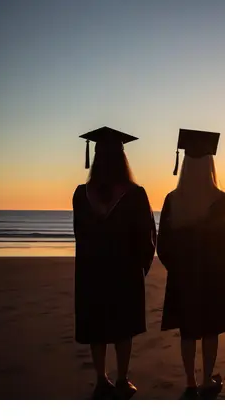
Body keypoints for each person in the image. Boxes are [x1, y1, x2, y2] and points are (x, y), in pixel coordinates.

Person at [72, 126, 157, 399]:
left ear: (95, 159)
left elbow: (79, 234)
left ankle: (101, 378)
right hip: (125, 271)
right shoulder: (135, 193)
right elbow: (147, 236)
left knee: (96, 327)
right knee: (123, 327)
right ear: (123, 160)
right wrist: (142, 266)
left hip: (91, 272)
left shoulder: (81, 194)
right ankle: (122, 378)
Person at [157, 129, 225, 400]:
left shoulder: (173, 200)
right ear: (210, 164)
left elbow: (163, 246)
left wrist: (179, 269)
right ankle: (206, 379)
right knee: (210, 330)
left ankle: (191, 381)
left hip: (184, 277)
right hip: (214, 278)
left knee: (188, 330)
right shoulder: (223, 201)